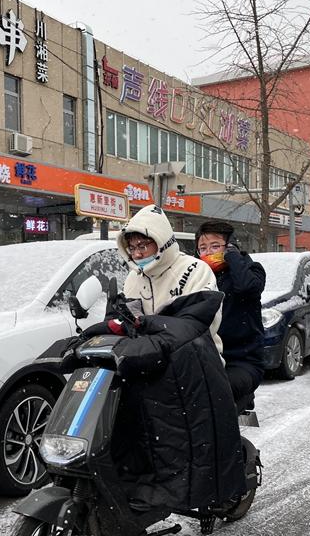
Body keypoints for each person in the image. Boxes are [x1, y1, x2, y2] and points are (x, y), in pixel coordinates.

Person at [79, 204, 245, 511]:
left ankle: (189, 489)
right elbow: (126, 323)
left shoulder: (195, 271)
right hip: (147, 362)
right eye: (133, 247)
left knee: (175, 425)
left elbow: (191, 325)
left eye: (145, 245)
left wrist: (143, 326)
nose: (139, 252)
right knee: (119, 411)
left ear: (162, 241)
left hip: (197, 363)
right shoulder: (133, 280)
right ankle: (136, 482)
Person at [195, 221, 266, 412]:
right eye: (203, 248)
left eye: (215, 246)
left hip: (242, 361)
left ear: (231, 246)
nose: (209, 252)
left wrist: (233, 257)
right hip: (205, 358)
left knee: (214, 395)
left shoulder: (252, 270)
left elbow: (246, 286)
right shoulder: (197, 276)